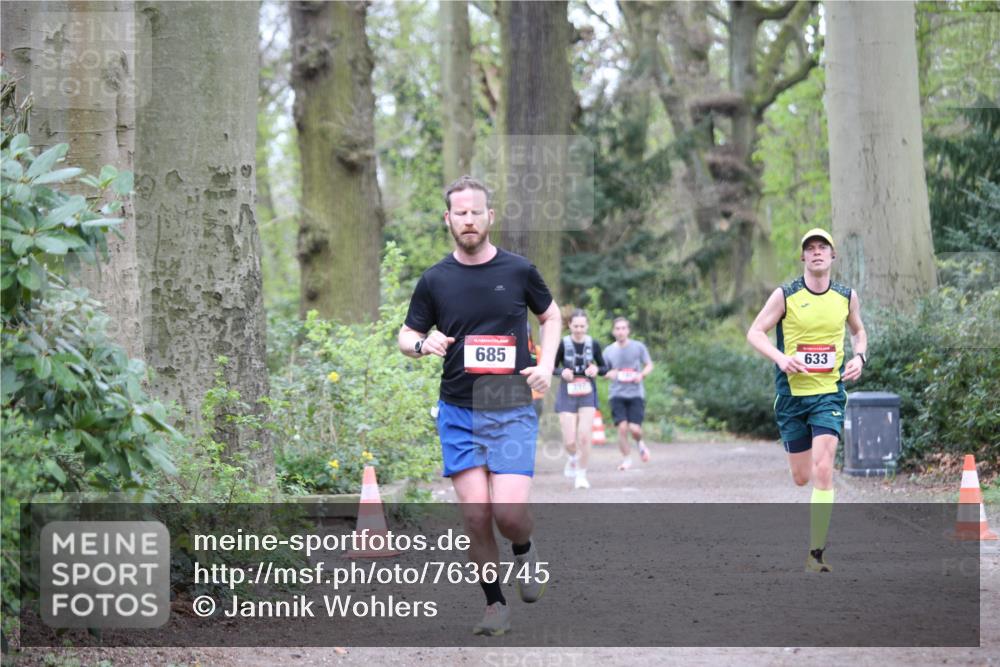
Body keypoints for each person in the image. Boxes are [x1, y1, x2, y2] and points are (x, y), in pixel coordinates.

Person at [398, 176, 561, 636]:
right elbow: (406, 335)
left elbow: (550, 316)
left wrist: (545, 365)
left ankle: (525, 549)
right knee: (475, 516)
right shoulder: (434, 280)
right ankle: (494, 605)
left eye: (476, 212)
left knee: (508, 515)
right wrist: (421, 343)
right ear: (448, 219)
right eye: (460, 213)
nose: (468, 220)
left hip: (509, 407)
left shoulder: (518, 271)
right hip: (458, 411)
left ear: (491, 216)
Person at [746, 228, 868, 573]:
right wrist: (780, 358)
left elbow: (859, 331)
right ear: (803, 257)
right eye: (810, 248)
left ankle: (816, 553)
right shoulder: (785, 295)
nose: (817, 253)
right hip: (791, 397)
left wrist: (859, 358)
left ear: (832, 256)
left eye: (823, 248)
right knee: (801, 477)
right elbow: (755, 332)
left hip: (828, 393)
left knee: (823, 469)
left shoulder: (846, 296)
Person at [553, 309, 609, 490]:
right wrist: (563, 372)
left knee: (584, 437)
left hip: (587, 391)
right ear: (569, 325)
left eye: (582, 326)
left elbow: (604, 367)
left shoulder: (594, 344)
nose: (578, 329)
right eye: (575, 325)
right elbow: (552, 367)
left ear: (587, 326)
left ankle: (581, 475)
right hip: (567, 391)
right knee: (569, 440)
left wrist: (596, 370)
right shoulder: (562, 344)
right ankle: (572, 458)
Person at [603, 317, 653, 470]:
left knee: (635, 429)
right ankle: (626, 459)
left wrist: (641, 375)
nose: (620, 331)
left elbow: (649, 365)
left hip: (636, 393)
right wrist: (608, 374)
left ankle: (640, 443)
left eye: (623, 328)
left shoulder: (638, 347)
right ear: (613, 331)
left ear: (628, 330)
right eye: (617, 328)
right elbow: (603, 371)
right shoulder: (608, 351)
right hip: (616, 394)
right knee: (622, 428)